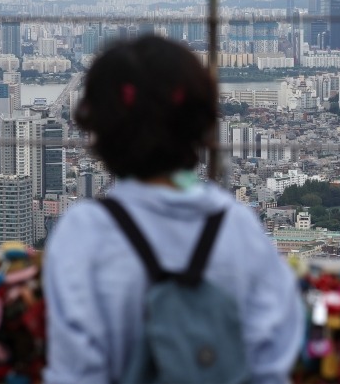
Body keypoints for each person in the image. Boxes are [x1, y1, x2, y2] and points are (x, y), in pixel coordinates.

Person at [43, 36, 304, 384]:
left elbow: (75, 374)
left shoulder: (84, 233)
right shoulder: (238, 227)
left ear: (100, 128)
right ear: (198, 123)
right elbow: (271, 366)